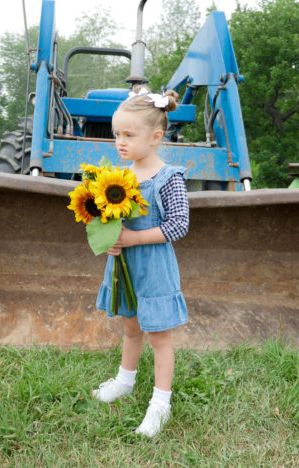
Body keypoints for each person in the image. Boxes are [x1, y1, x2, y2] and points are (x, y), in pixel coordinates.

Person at [92, 86, 190, 438]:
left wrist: (133, 238)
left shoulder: (168, 178)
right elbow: (111, 222)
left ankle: (161, 403)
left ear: (156, 136)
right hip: (125, 267)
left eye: (129, 135)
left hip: (154, 266)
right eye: (117, 134)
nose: (120, 141)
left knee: (158, 336)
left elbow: (179, 225)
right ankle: (125, 380)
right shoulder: (119, 178)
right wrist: (111, 243)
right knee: (130, 328)